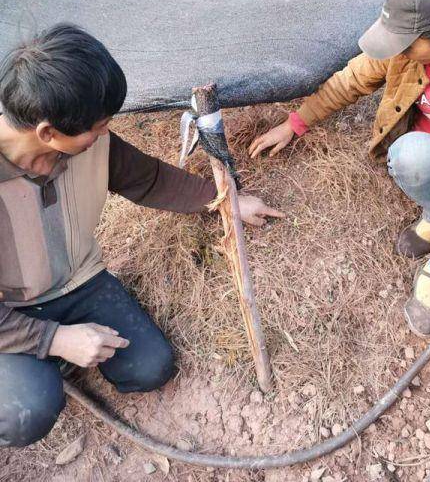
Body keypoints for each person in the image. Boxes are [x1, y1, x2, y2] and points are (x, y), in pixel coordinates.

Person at [0, 23, 283, 447]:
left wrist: (224, 201)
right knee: (28, 411)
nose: (103, 135)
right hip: (10, 311)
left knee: (151, 367)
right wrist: (55, 339)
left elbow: (146, 179)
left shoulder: (86, 143)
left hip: (78, 281)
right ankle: (37, 369)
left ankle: (50, 360)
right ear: (47, 133)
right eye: (95, 127)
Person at [249, 0, 430, 339]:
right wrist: (295, 123)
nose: (398, 52)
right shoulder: (406, 52)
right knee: (411, 153)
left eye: (407, 44)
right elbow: (351, 80)